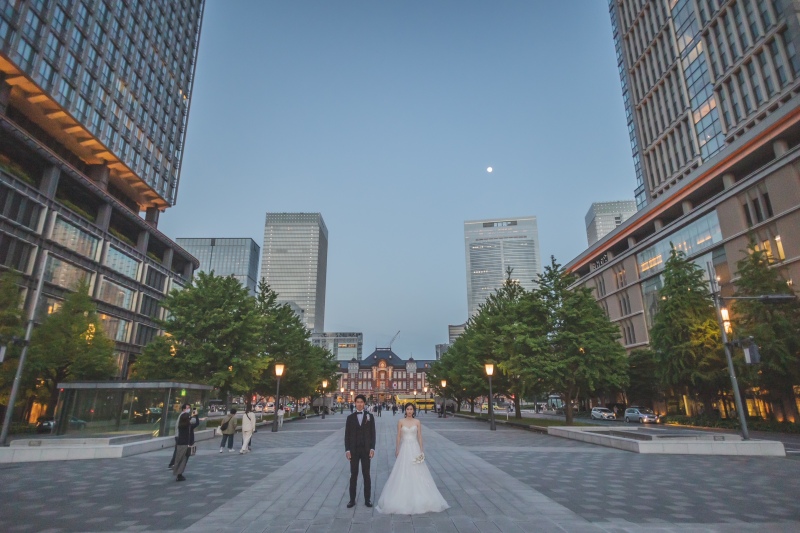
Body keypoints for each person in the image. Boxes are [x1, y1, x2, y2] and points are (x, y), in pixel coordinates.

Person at [375, 404, 449, 514]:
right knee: (402, 470)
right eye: (408, 409)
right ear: (405, 410)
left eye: (411, 409)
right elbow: (399, 436)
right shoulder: (401, 421)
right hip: (404, 448)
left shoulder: (417, 422)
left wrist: (421, 450)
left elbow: (419, 436)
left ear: (413, 410)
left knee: (418, 469)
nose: (409, 411)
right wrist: (397, 448)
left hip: (415, 448)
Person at [344, 394, 376, 508]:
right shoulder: (350, 418)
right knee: (354, 475)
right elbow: (347, 435)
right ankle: (352, 499)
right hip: (354, 450)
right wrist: (347, 450)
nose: (359, 404)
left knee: (366, 474)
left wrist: (372, 448)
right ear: (355, 403)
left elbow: (373, 434)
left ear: (364, 404)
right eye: (357, 402)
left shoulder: (370, 416)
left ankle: (367, 499)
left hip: (366, 450)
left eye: (361, 402)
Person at [172, 404, 199, 482]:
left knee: (179, 459)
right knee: (183, 460)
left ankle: (177, 472)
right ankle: (178, 474)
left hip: (181, 443)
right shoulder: (188, 426)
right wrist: (195, 416)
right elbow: (196, 423)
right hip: (186, 444)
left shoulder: (181, 426)